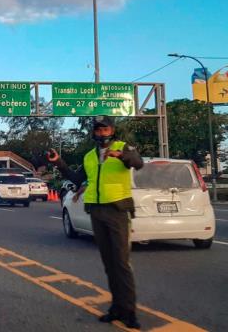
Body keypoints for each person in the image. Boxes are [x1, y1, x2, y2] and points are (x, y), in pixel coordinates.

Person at [46, 116, 143, 329]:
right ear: (94, 133)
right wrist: (58, 163)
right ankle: (116, 308)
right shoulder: (90, 156)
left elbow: (138, 163)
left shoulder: (123, 147)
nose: (101, 133)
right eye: (98, 130)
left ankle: (129, 312)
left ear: (112, 130)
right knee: (109, 264)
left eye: (105, 129)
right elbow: (77, 178)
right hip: (97, 212)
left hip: (117, 211)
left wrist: (121, 156)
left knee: (121, 264)